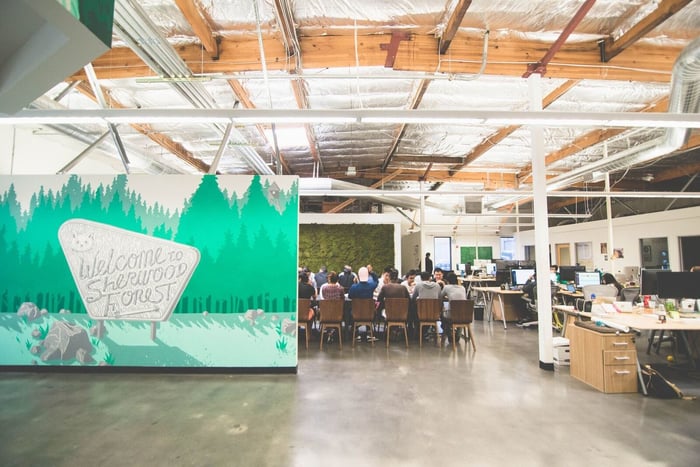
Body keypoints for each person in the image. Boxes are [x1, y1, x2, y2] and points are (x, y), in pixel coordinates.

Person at [440, 272, 467, 342]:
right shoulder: (463, 288)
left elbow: (440, 296)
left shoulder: (447, 287)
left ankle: (449, 335)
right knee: (459, 316)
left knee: (442, 316)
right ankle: (458, 334)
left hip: (452, 315)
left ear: (448, 281)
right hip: (465, 315)